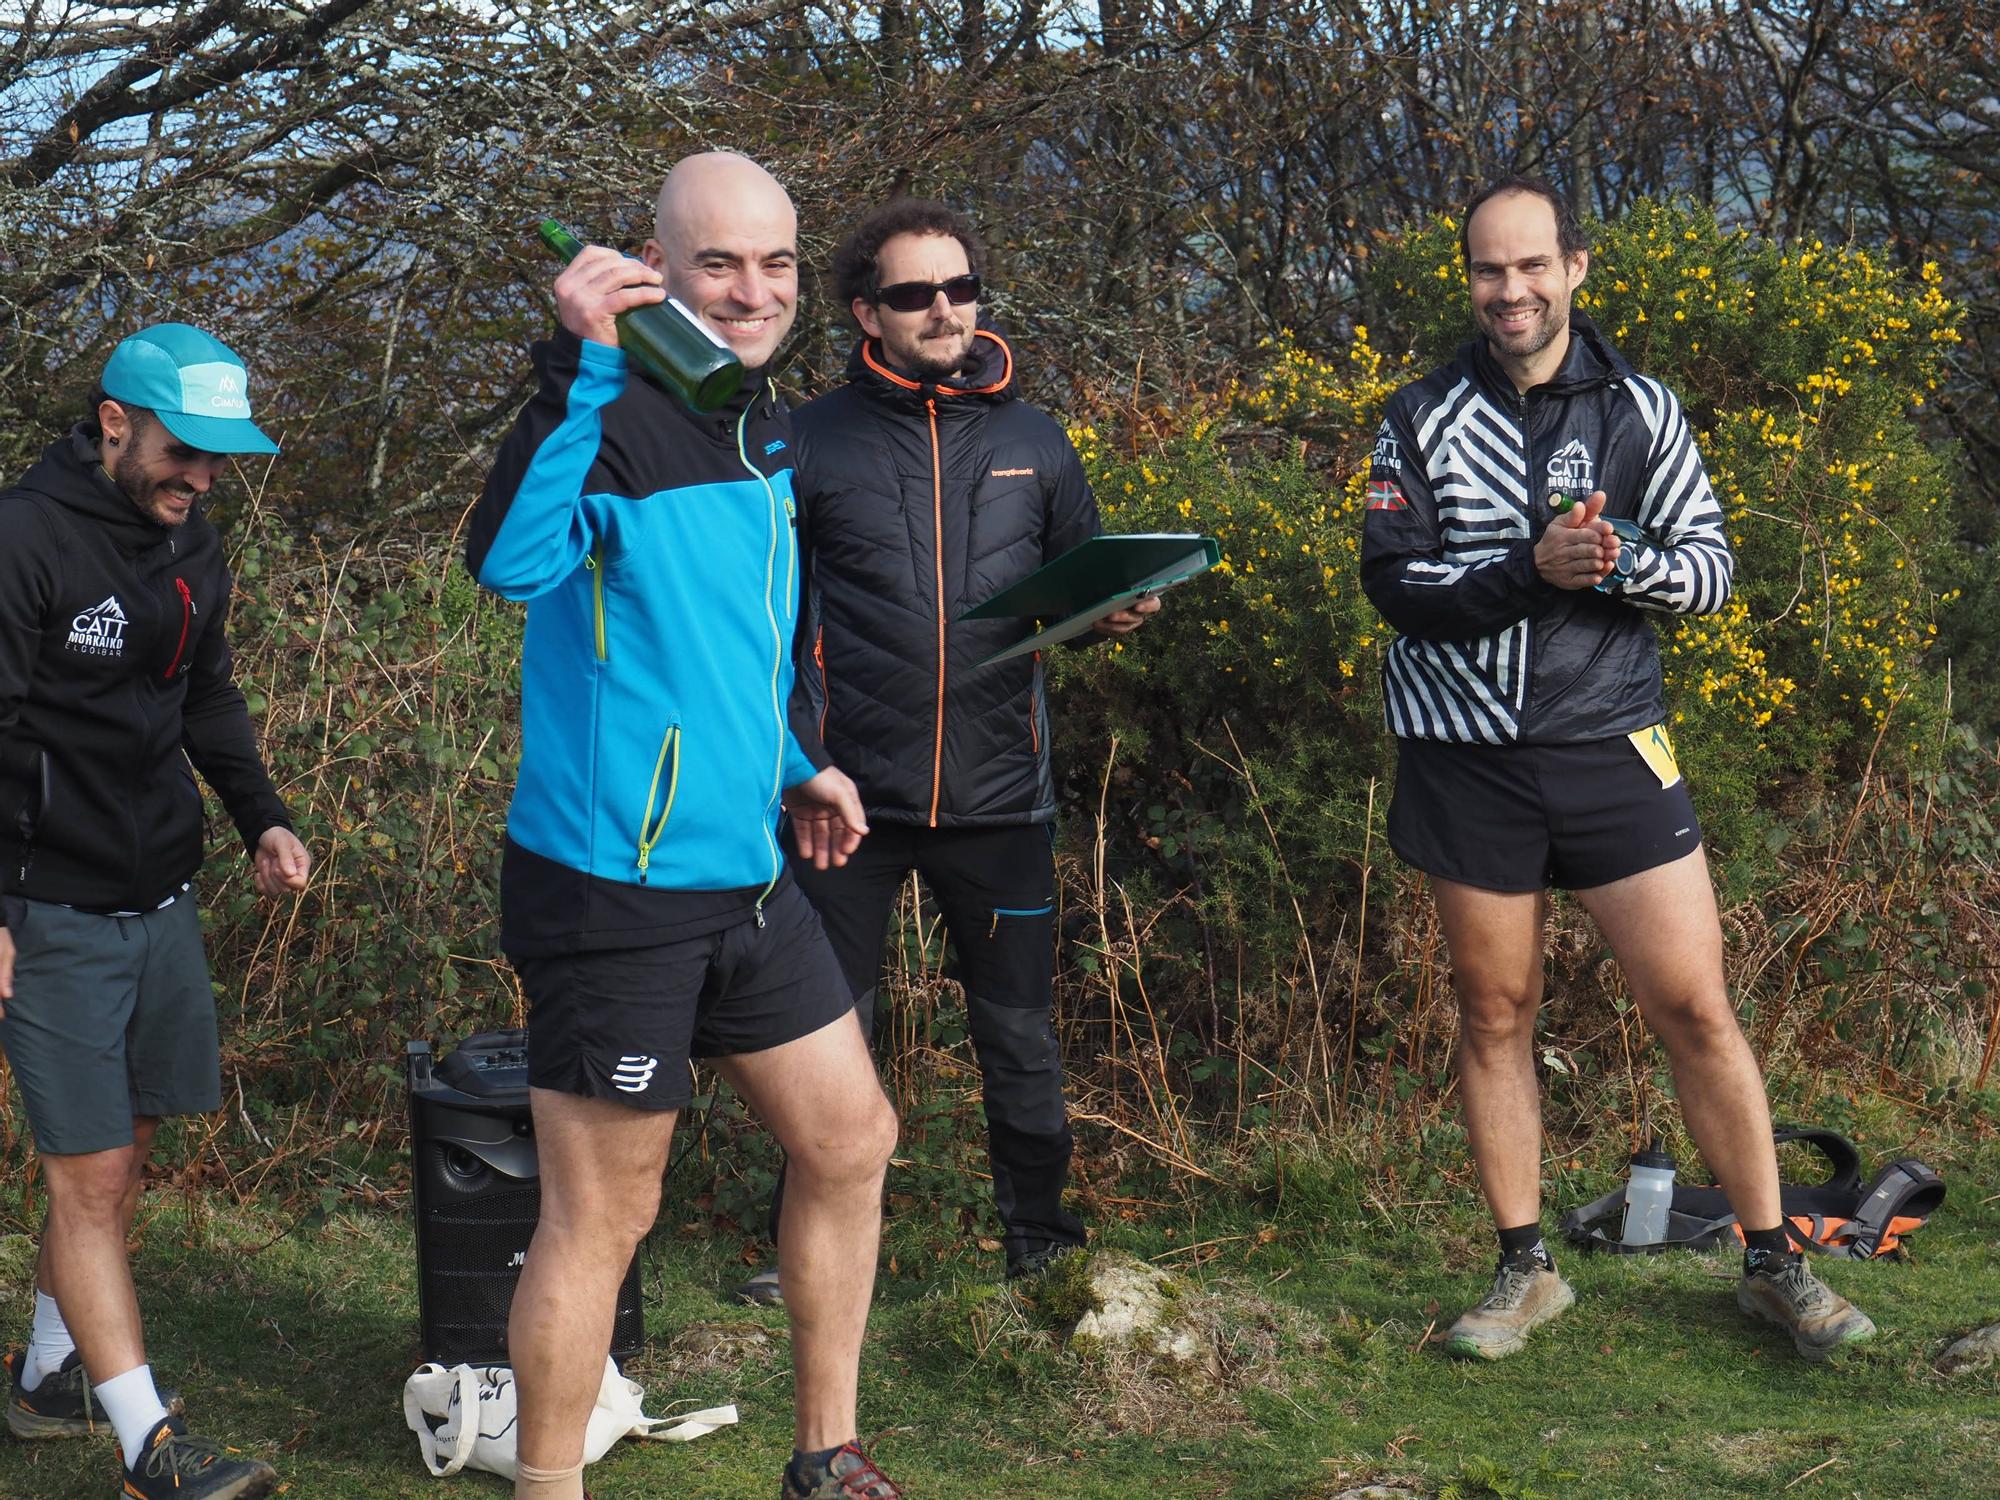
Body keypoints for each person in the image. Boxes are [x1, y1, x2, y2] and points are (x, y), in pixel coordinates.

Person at [1360, 174, 1875, 1362]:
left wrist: (1613, 556)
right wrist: (1527, 571)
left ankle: (1769, 1263)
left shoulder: (1641, 408)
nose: (1510, 290)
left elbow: (1707, 572)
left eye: (1531, 266)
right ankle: (1522, 1270)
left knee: (1692, 1005)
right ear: (1469, 279)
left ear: (1574, 268)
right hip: (1462, 755)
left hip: (1610, 743)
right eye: (1489, 270)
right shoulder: (1417, 414)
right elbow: (1394, 586)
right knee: (1493, 1012)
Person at [466, 152, 904, 1500]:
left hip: (744, 874)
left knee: (852, 1140)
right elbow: (508, 564)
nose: (752, 289)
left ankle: (824, 1458)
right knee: (604, 1216)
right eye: (720, 262)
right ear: (660, 266)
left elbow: (723, 650)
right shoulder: (603, 412)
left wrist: (793, 765)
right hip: (612, 889)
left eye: (775, 264)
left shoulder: (759, 425)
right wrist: (576, 360)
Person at [735, 198, 1157, 1308]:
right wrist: (787, 762)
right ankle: (807, 1264)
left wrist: (1111, 610)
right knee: (827, 1045)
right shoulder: (803, 436)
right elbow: (755, 612)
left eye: (959, 287)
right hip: (843, 802)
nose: (943, 309)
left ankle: (1042, 1254)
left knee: (1017, 1040)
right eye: (915, 293)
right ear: (865, 311)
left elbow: (1077, 582)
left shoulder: (1034, 439)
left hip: (999, 795)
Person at [0, 323, 309, 1499]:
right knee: (84, 1178)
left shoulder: (196, 545)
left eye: (220, 460)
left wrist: (261, 816)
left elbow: (206, 693)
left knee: (120, 1164)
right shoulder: (22, 541)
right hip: (46, 908)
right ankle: (149, 1447)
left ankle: (44, 1380)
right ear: (114, 421)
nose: (201, 478)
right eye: (185, 452)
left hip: (158, 894)